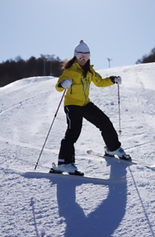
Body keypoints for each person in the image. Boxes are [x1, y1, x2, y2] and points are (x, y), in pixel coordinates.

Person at [50, 40, 130, 175]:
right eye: (81, 56)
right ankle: (64, 163)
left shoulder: (89, 71)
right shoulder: (70, 71)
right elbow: (58, 86)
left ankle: (113, 148)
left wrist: (112, 80)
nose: (83, 59)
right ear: (75, 56)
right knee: (73, 132)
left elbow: (99, 82)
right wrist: (64, 84)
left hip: (85, 104)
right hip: (72, 105)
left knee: (104, 122)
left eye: (86, 56)